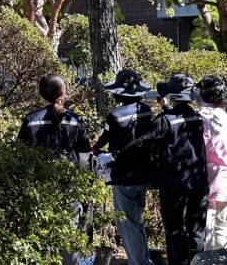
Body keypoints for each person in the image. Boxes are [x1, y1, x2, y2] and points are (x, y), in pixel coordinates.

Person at [99, 73, 209, 265]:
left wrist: (114, 155)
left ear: (172, 96)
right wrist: (164, 108)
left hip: (173, 183)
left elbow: (142, 141)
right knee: (196, 231)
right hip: (198, 180)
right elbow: (180, 119)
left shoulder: (164, 120)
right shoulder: (197, 117)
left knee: (176, 231)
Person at [18, 72, 91, 265]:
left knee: (42, 237)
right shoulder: (76, 120)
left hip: (39, 189)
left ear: (42, 94)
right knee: (70, 236)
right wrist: (84, 185)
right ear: (64, 93)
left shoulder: (30, 120)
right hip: (70, 188)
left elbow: (20, 155)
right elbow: (85, 157)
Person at [92, 69, 154, 265]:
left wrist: (94, 148)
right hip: (144, 173)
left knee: (127, 223)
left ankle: (137, 262)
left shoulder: (115, 115)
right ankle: (144, 260)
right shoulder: (146, 110)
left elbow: (105, 138)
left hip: (123, 174)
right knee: (136, 220)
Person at [195, 75, 227, 251]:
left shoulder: (200, 116)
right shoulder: (224, 116)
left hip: (205, 174)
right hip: (225, 175)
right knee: (222, 226)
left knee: (207, 224)